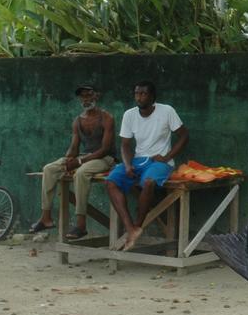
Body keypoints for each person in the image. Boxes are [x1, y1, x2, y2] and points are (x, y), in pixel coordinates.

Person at [105, 80, 188, 251]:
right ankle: (130, 228)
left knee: (149, 182)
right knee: (110, 181)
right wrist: (127, 165)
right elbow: (125, 145)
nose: (140, 97)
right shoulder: (130, 114)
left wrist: (167, 157)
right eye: (137, 93)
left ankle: (138, 225)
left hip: (159, 162)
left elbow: (184, 136)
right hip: (138, 160)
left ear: (152, 97)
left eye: (143, 94)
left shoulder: (167, 111)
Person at [30, 84, 116, 240]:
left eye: (89, 95)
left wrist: (79, 161)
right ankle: (46, 217)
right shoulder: (77, 121)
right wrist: (69, 158)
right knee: (49, 169)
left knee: (81, 173)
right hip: (84, 156)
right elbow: (74, 146)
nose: (85, 99)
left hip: (105, 158)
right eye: (82, 96)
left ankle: (81, 225)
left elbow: (105, 149)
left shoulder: (107, 118)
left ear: (97, 96)